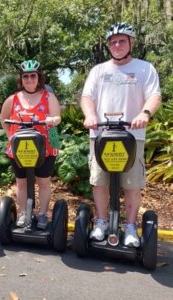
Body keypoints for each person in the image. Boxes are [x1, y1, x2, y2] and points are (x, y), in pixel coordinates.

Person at [80, 22, 162, 247]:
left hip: (132, 136)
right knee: (99, 182)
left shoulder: (145, 68)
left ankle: (130, 227)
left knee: (132, 184)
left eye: (121, 41)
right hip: (100, 135)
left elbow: (154, 96)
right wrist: (89, 115)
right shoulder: (99, 71)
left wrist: (145, 113)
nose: (117, 45)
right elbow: (87, 97)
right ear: (108, 46)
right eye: (113, 42)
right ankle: (101, 222)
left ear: (131, 43)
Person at [0, 59, 61, 228]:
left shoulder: (49, 97)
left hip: (45, 147)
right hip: (20, 148)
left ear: (38, 77)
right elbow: (3, 119)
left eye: (32, 76)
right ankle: (23, 212)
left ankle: (42, 214)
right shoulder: (13, 99)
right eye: (25, 76)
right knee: (21, 182)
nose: (29, 80)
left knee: (43, 181)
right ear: (21, 79)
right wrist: (10, 137)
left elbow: (57, 119)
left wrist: (52, 121)